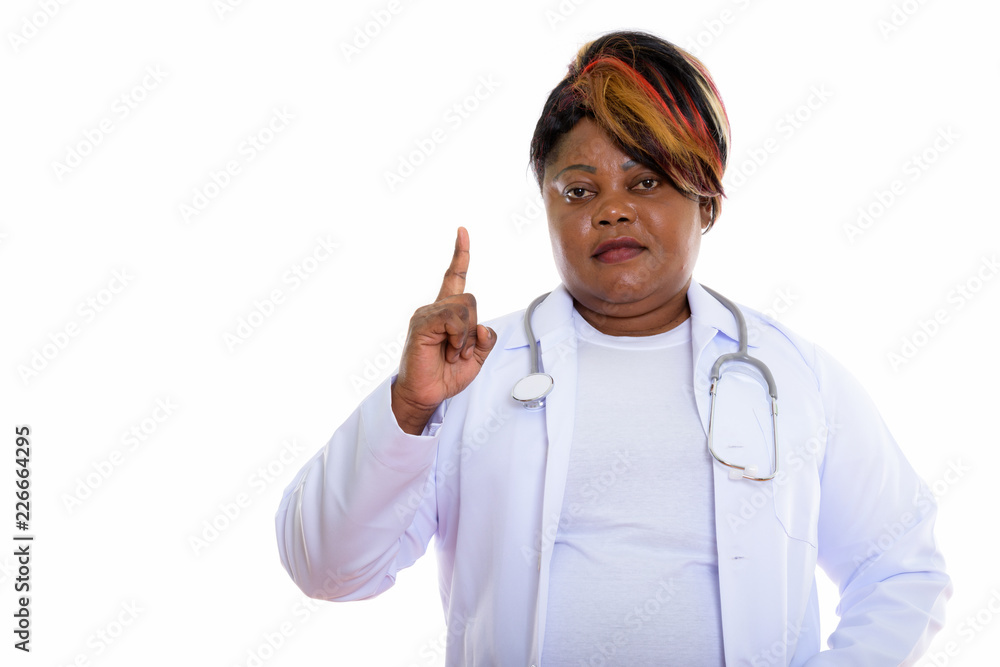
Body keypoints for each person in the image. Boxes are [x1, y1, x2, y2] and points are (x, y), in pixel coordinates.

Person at [275, 30, 950, 665]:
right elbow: (327, 570)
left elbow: (902, 570)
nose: (611, 209)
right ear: (546, 209)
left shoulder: (794, 375)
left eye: (645, 181)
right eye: (578, 190)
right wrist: (409, 406)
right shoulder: (470, 373)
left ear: (706, 201)